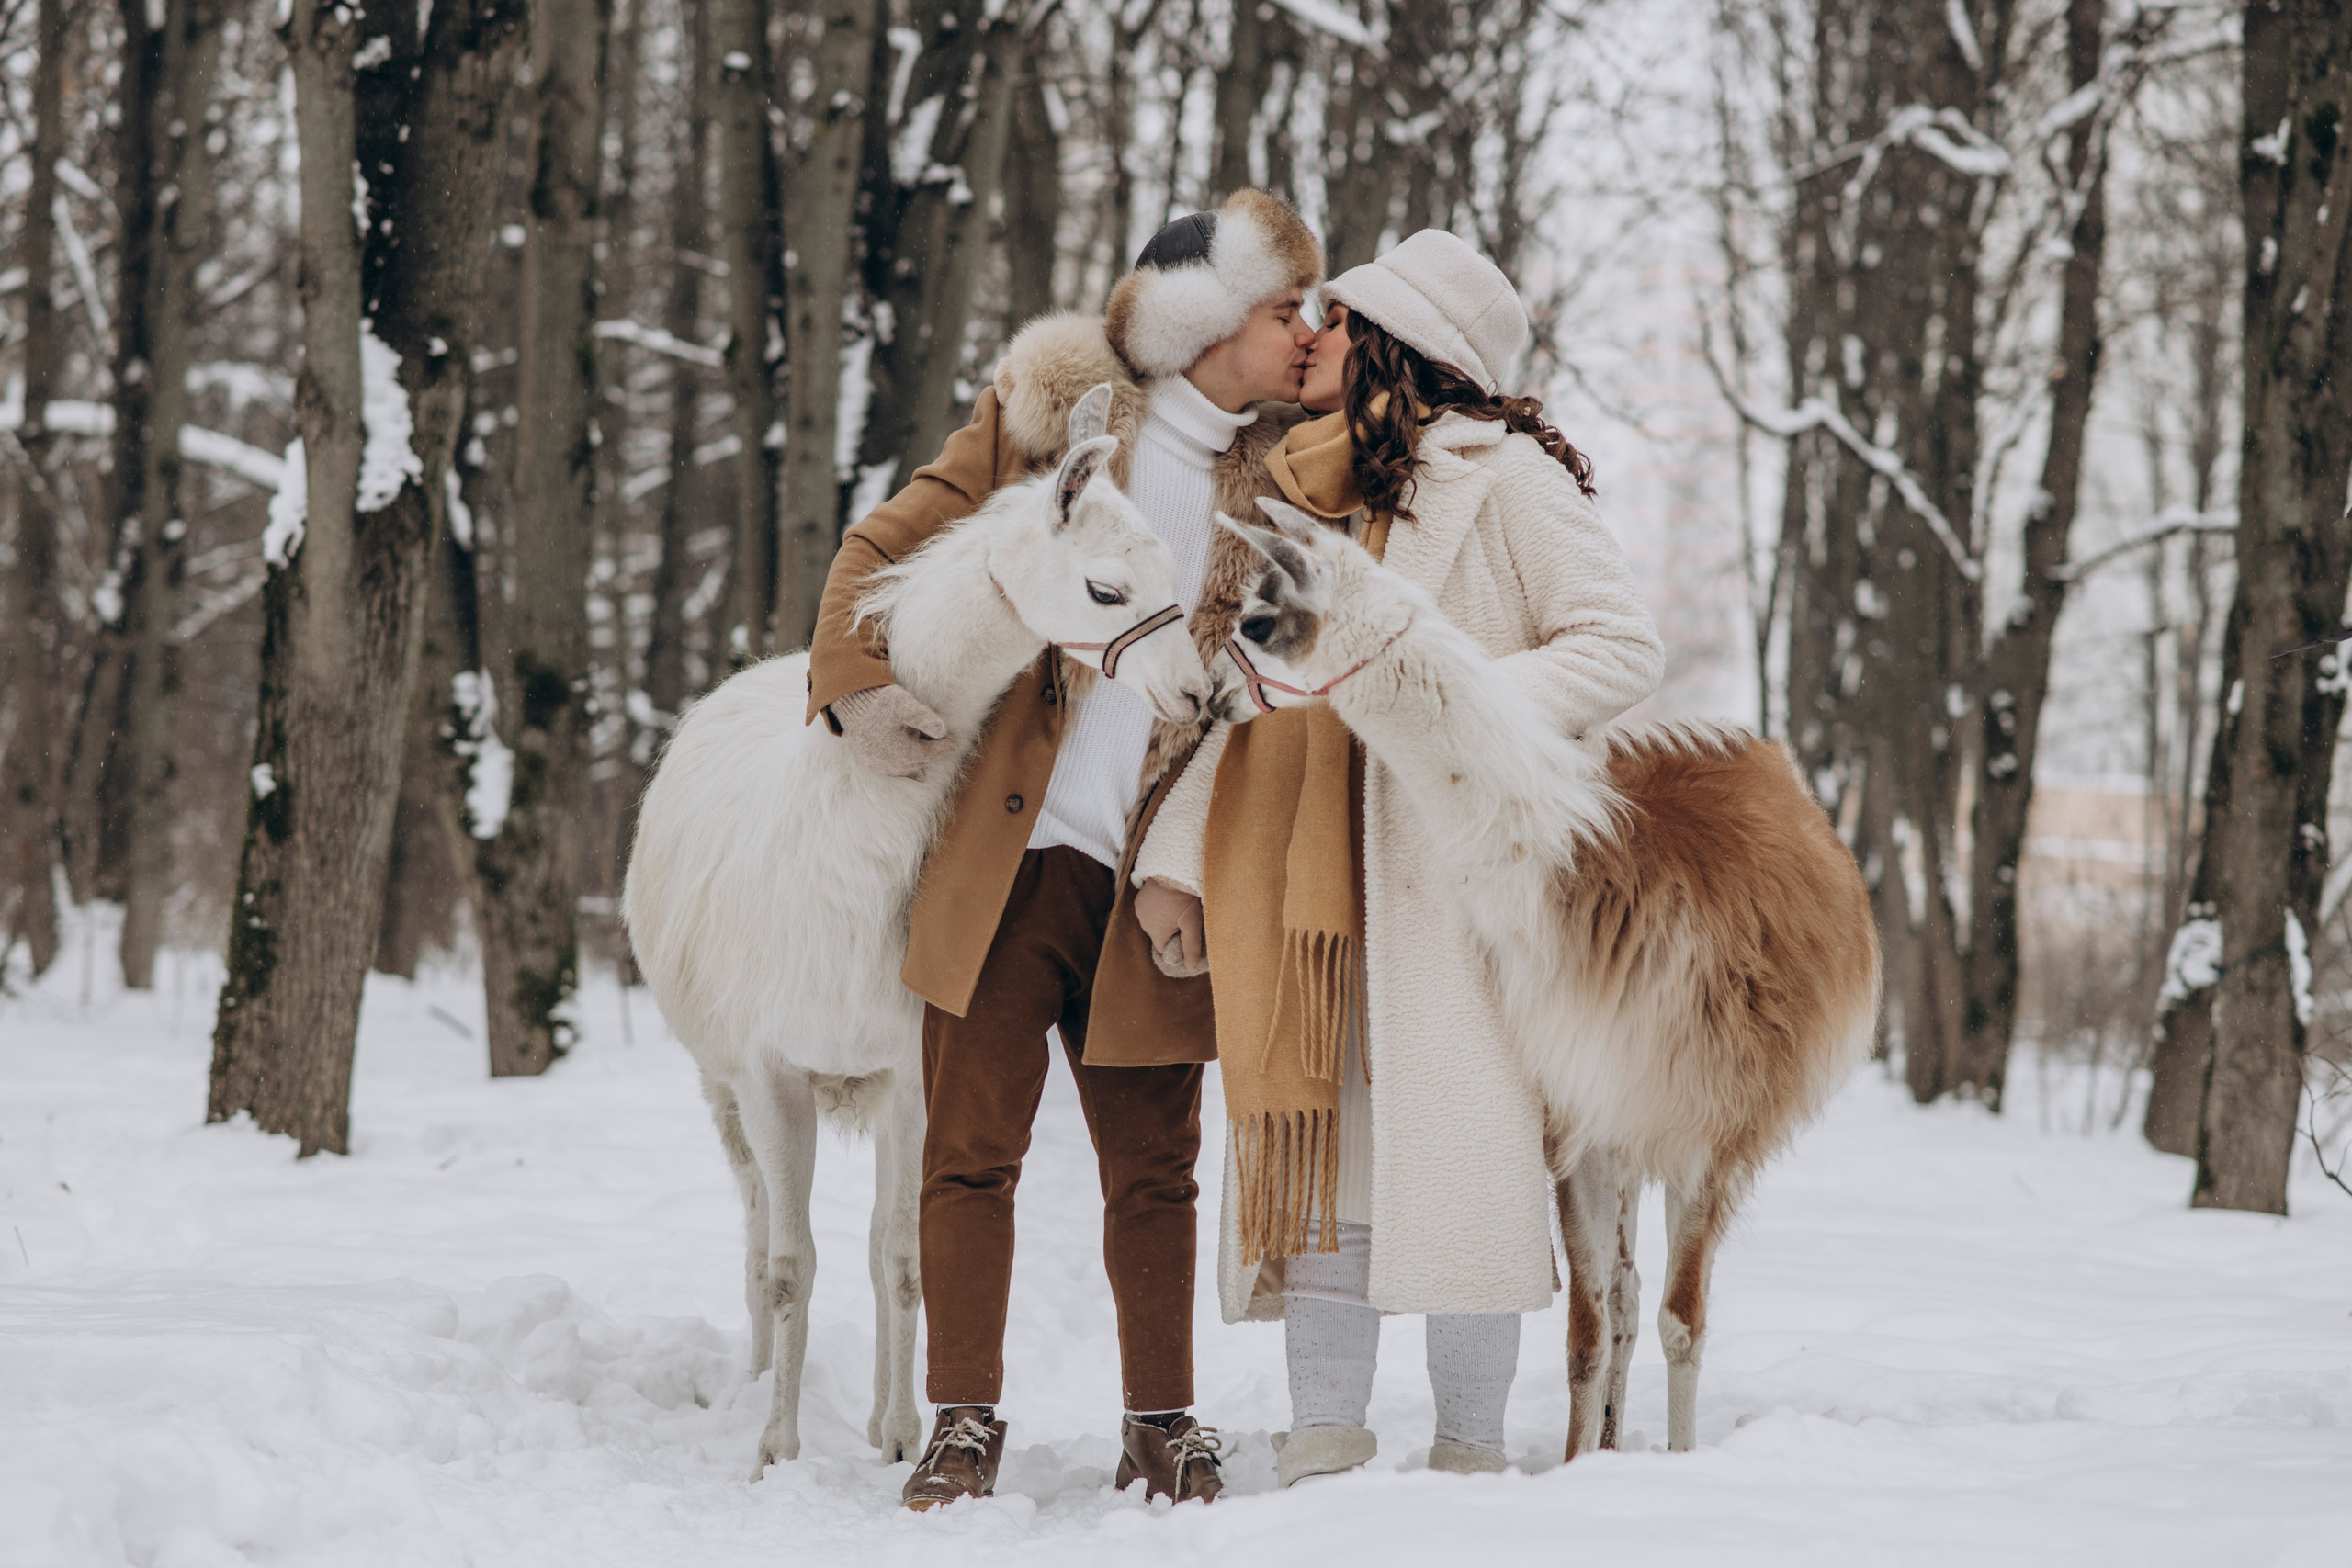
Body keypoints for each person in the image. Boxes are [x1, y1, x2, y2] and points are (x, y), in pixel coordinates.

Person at [804, 189, 1324, 1510]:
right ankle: (960, 1420)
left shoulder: (1295, 479)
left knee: (1157, 1166)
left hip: (1160, 877)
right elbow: (884, 543)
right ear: (1210, 328)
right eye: (1283, 308)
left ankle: (1164, 1423)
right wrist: (856, 684)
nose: (1304, 330)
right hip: (1006, 855)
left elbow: (1276, 691)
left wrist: (1192, 867)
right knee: (967, 1153)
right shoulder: (1056, 419)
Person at [1129, 229, 1664, 1483]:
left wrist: (1443, 698)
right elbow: (1250, 692)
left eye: (1339, 319)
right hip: (1301, 870)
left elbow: (1615, 648)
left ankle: (1469, 1454)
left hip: (1455, 873)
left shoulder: (1508, 477)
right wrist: (1175, 856)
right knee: (1326, 1145)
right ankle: (1325, 1437)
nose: (1311, 335)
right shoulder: (1304, 488)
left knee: (1469, 1150)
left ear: (1399, 351)